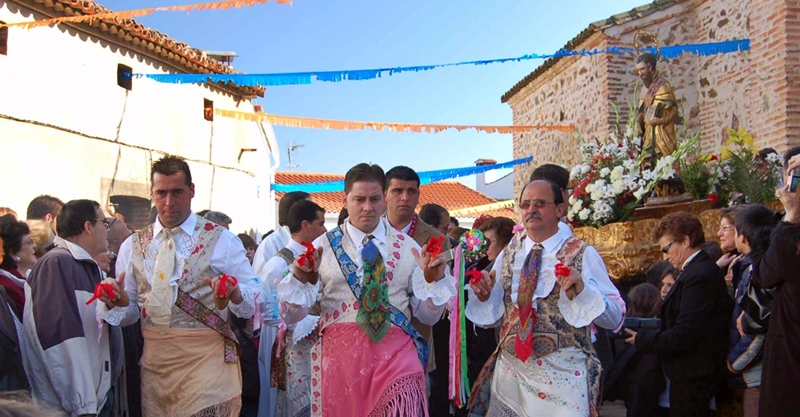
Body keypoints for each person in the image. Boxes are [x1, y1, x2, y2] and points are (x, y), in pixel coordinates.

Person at [277, 163, 455, 416]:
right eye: (359, 199)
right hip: (341, 364)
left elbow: (427, 317)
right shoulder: (320, 247)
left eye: (374, 199)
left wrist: (434, 283)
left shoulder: (409, 247)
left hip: (396, 360)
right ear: (345, 199)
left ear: (384, 199)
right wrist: (299, 278)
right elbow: (292, 316)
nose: (368, 207)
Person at [100, 155, 265, 416]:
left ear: (192, 191)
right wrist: (117, 301)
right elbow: (131, 310)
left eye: (177, 192)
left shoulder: (222, 239)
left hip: (209, 363)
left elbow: (257, 295)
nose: (169, 202)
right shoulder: (132, 246)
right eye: (161, 193)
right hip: (157, 369)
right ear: (152, 193)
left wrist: (235, 293)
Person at [467, 180, 624, 417]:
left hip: (564, 379)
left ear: (560, 209)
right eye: (526, 204)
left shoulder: (582, 253)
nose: (531, 210)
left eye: (540, 203)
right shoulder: (510, 253)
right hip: (512, 375)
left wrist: (583, 291)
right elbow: (491, 319)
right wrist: (485, 296)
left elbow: (615, 318)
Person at [22, 199, 124, 416]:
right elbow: (62, 340)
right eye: (104, 224)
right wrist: (83, 405)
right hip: (70, 408)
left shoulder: (87, 267)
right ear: (88, 227)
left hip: (90, 403)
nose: (107, 231)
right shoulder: (57, 264)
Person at [626, 211, 733, 417]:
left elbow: (687, 330)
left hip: (695, 374)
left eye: (667, 248)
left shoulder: (699, 275)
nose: (665, 256)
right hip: (690, 373)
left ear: (685, 240)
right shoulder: (696, 271)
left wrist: (645, 339)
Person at [383, 166, 450, 399]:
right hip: (372, 345)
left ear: (419, 196)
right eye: (397, 190)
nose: (405, 197)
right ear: (385, 194)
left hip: (416, 343)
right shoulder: (369, 232)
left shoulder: (437, 239)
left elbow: (440, 297)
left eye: (411, 191)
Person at [261, 200, 327, 417]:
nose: (325, 229)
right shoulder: (278, 264)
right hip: (295, 346)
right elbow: (266, 309)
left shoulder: (322, 256)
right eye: (321, 223)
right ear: (306, 225)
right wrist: (302, 321)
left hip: (322, 346)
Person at [749, 154, 800, 417]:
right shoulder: (780, 230)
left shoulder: (786, 232)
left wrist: (790, 218)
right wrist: (789, 218)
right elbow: (765, 275)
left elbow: (772, 273)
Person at [722, 205, 776, 417]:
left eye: (731, 229)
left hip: (756, 374)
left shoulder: (757, 271)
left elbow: (757, 326)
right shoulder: (746, 266)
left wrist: (733, 362)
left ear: (742, 237)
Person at [253, 192, 311, 278]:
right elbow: (261, 283)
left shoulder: (311, 242)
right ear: (296, 213)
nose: (314, 213)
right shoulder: (270, 244)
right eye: (310, 209)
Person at [0, 216, 36, 317]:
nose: (35, 246)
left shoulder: (28, 278)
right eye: (29, 242)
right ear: (14, 253)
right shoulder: (8, 288)